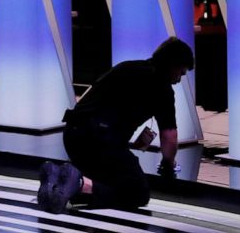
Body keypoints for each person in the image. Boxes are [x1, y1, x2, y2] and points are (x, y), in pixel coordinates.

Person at [36, 37, 194, 214]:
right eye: (180, 72)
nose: (179, 79)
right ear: (171, 64)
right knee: (138, 193)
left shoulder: (126, 66)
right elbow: (169, 138)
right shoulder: (162, 89)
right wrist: (168, 165)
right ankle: (79, 184)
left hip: (73, 135)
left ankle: (57, 179)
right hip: (100, 142)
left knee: (105, 180)